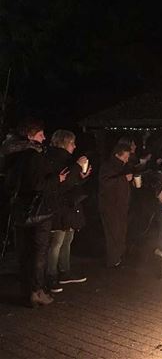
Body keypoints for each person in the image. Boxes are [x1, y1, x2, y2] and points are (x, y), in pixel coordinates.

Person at [9, 119, 68, 307]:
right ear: (30, 135)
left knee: (24, 251)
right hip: (38, 210)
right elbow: (37, 184)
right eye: (40, 134)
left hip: (18, 208)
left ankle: (26, 290)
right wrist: (56, 179)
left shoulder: (11, 153)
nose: (44, 137)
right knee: (39, 252)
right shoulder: (33, 155)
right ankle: (37, 291)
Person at [45, 130, 91, 293]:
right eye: (72, 143)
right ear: (64, 143)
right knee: (57, 241)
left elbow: (71, 182)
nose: (75, 146)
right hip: (59, 207)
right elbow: (62, 184)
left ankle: (64, 272)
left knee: (67, 239)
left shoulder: (65, 159)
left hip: (68, 207)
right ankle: (51, 275)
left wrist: (82, 176)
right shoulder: (56, 159)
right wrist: (77, 166)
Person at [99, 143, 132, 268]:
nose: (127, 160)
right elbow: (106, 184)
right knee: (113, 232)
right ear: (118, 155)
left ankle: (118, 257)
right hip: (111, 206)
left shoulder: (120, 166)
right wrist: (124, 179)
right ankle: (113, 259)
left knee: (120, 231)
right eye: (125, 157)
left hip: (120, 205)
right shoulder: (108, 166)